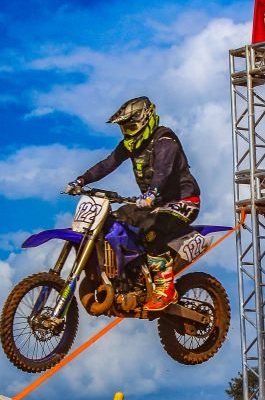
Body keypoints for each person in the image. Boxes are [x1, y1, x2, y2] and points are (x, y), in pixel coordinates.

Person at [67, 96, 200, 311]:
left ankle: (165, 288)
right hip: (151, 203)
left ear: (144, 119)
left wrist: (151, 193)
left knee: (151, 231)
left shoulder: (165, 140)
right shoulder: (129, 145)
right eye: (123, 127)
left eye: (129, 126)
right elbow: (107, 164)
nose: (126, 131)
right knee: (112, 223)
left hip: (182, 202)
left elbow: (163, 171)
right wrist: (81, 180)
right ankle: (128, 276)